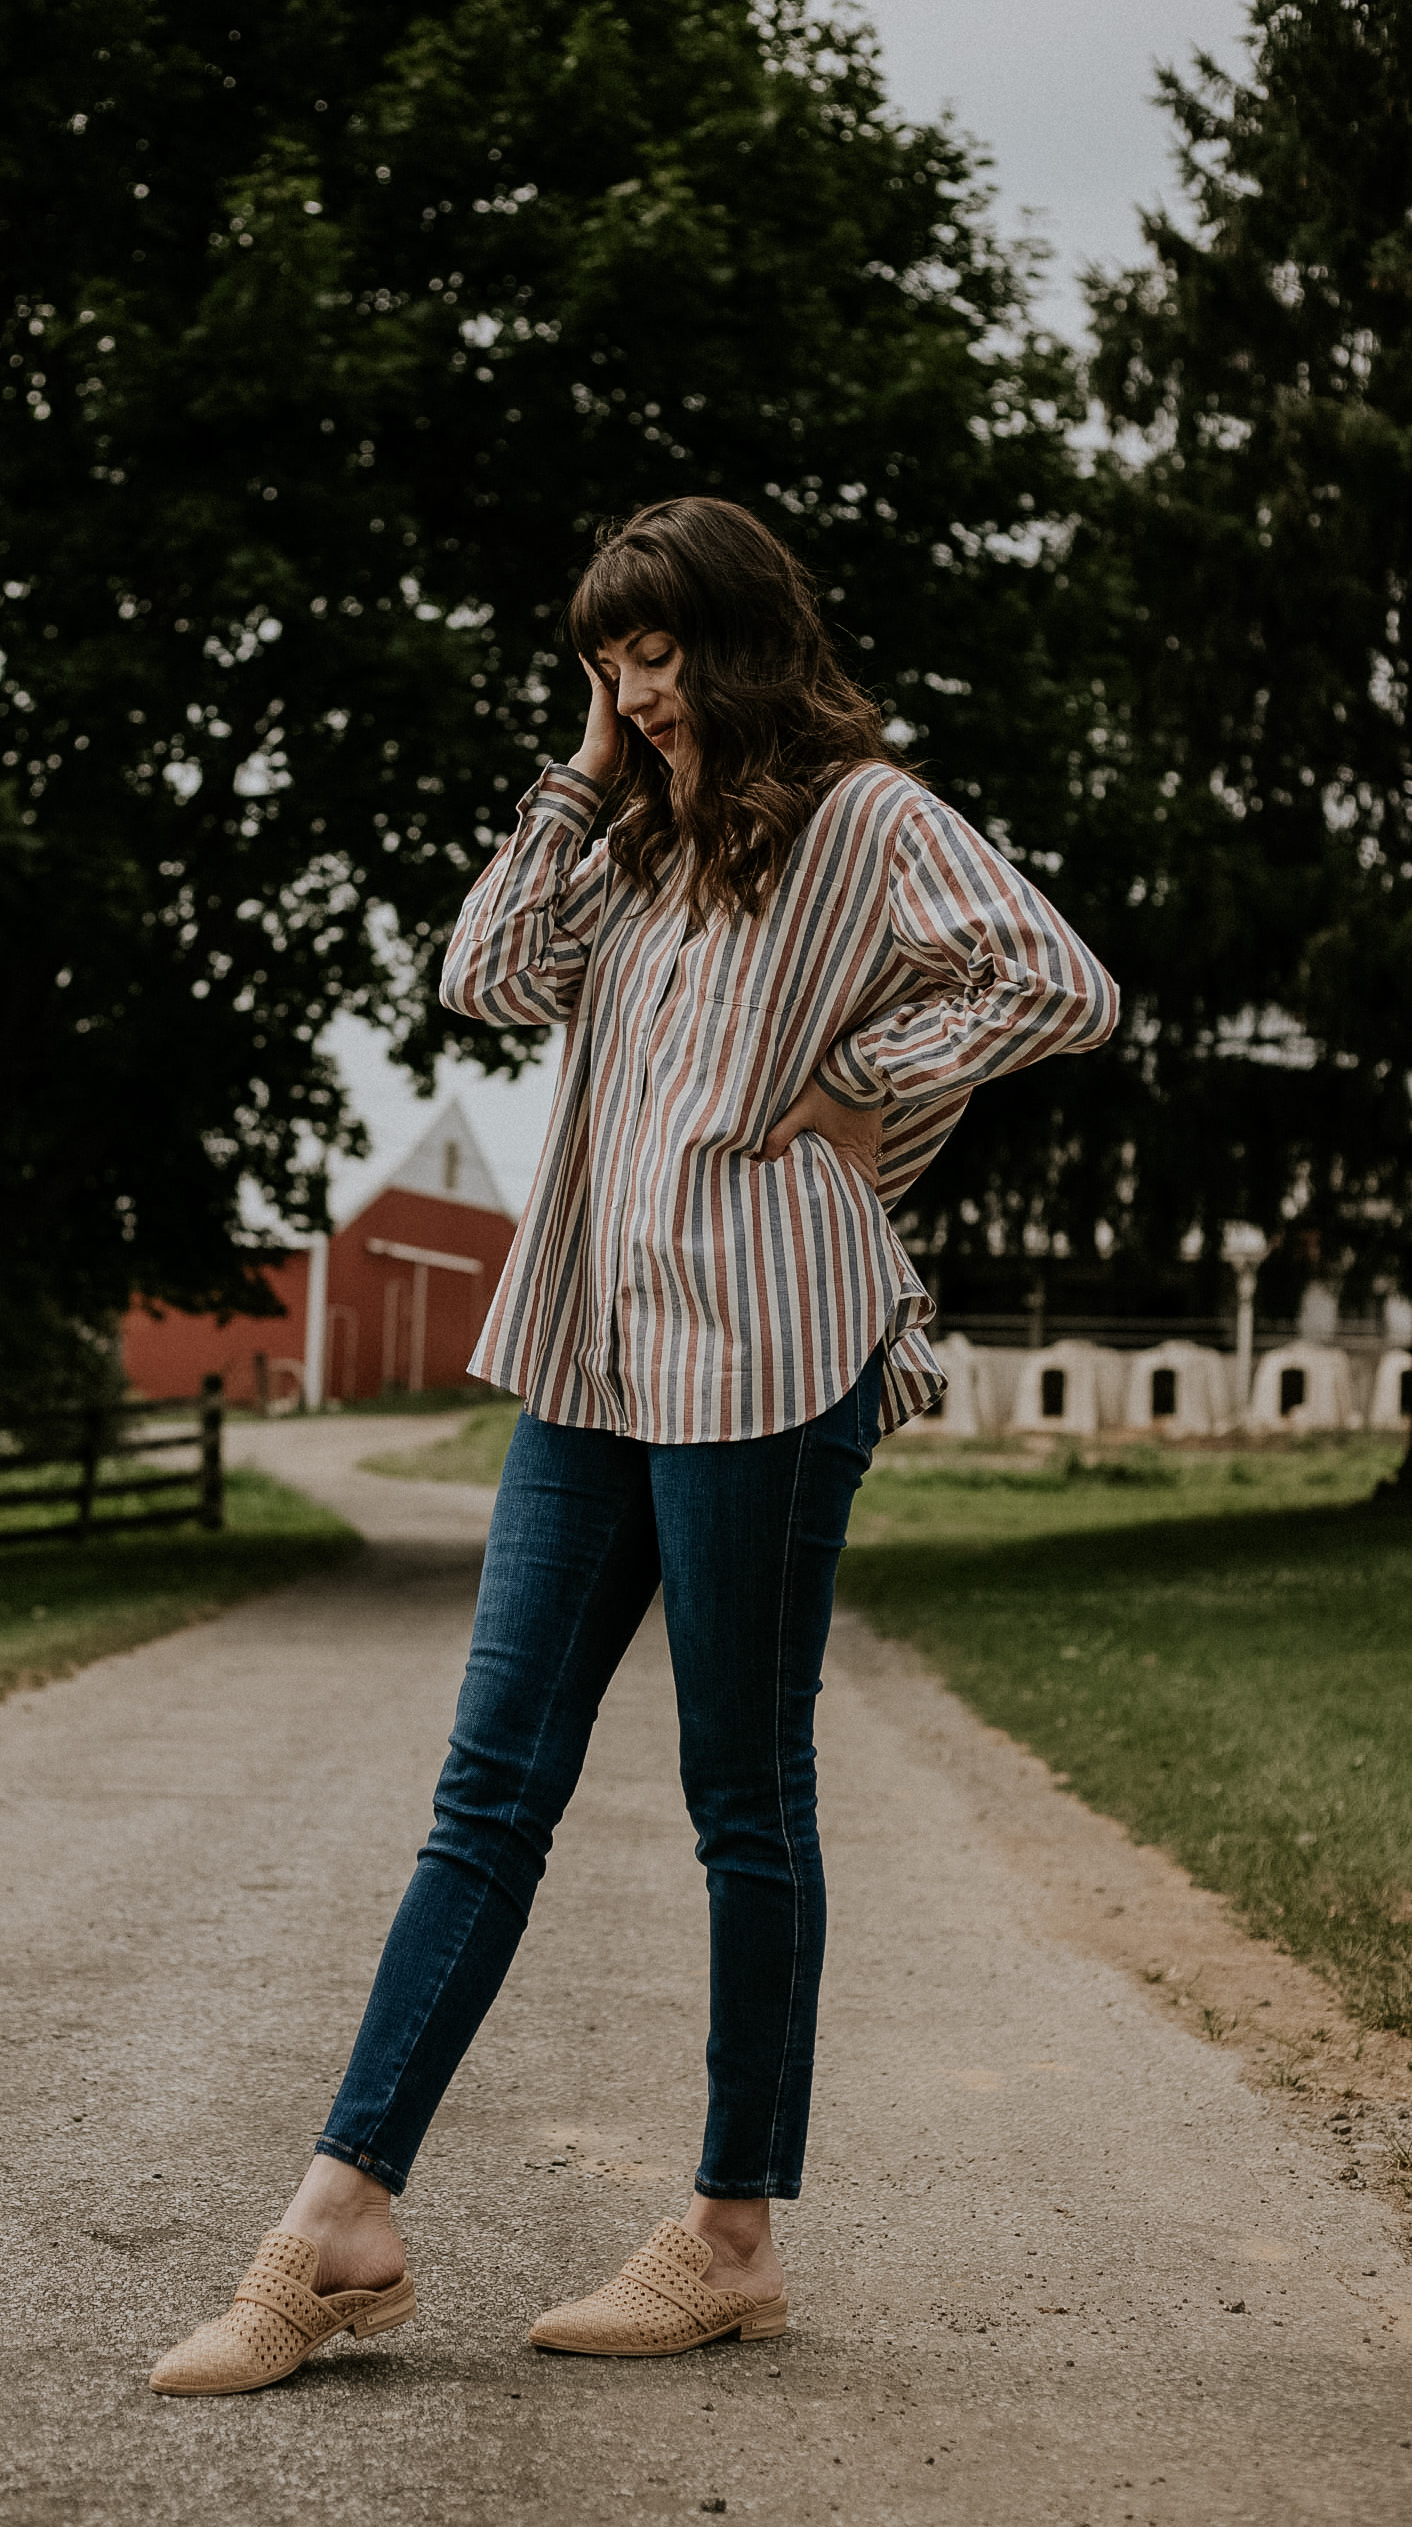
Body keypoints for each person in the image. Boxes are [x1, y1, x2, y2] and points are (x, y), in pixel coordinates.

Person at [149, 496, 1118, 2395]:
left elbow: (1060, 982)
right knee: (486, 1787)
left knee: (741, 1800)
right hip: (591, 1343)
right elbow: (484, 978)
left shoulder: (867, 817)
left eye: (658, 659)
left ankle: (732, 2235)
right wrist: (576, 778)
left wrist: (866, 1097)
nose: (636, 692)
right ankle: (342, 2214)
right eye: (608, 663)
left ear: (741, 641)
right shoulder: (629, 843)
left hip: (771, 1350)